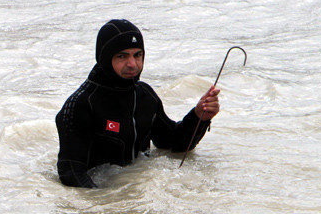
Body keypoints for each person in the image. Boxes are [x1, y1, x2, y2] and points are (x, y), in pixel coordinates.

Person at [55, 19, 220, 188]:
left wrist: (199, 117)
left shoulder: (145, 96)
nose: (132, 64)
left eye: (137, 55)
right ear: (105, 58)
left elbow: (173, 144)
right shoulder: (80, 104)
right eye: (122, 56)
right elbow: (71, 173)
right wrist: (106, 206)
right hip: (103, 193)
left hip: (135, 191)